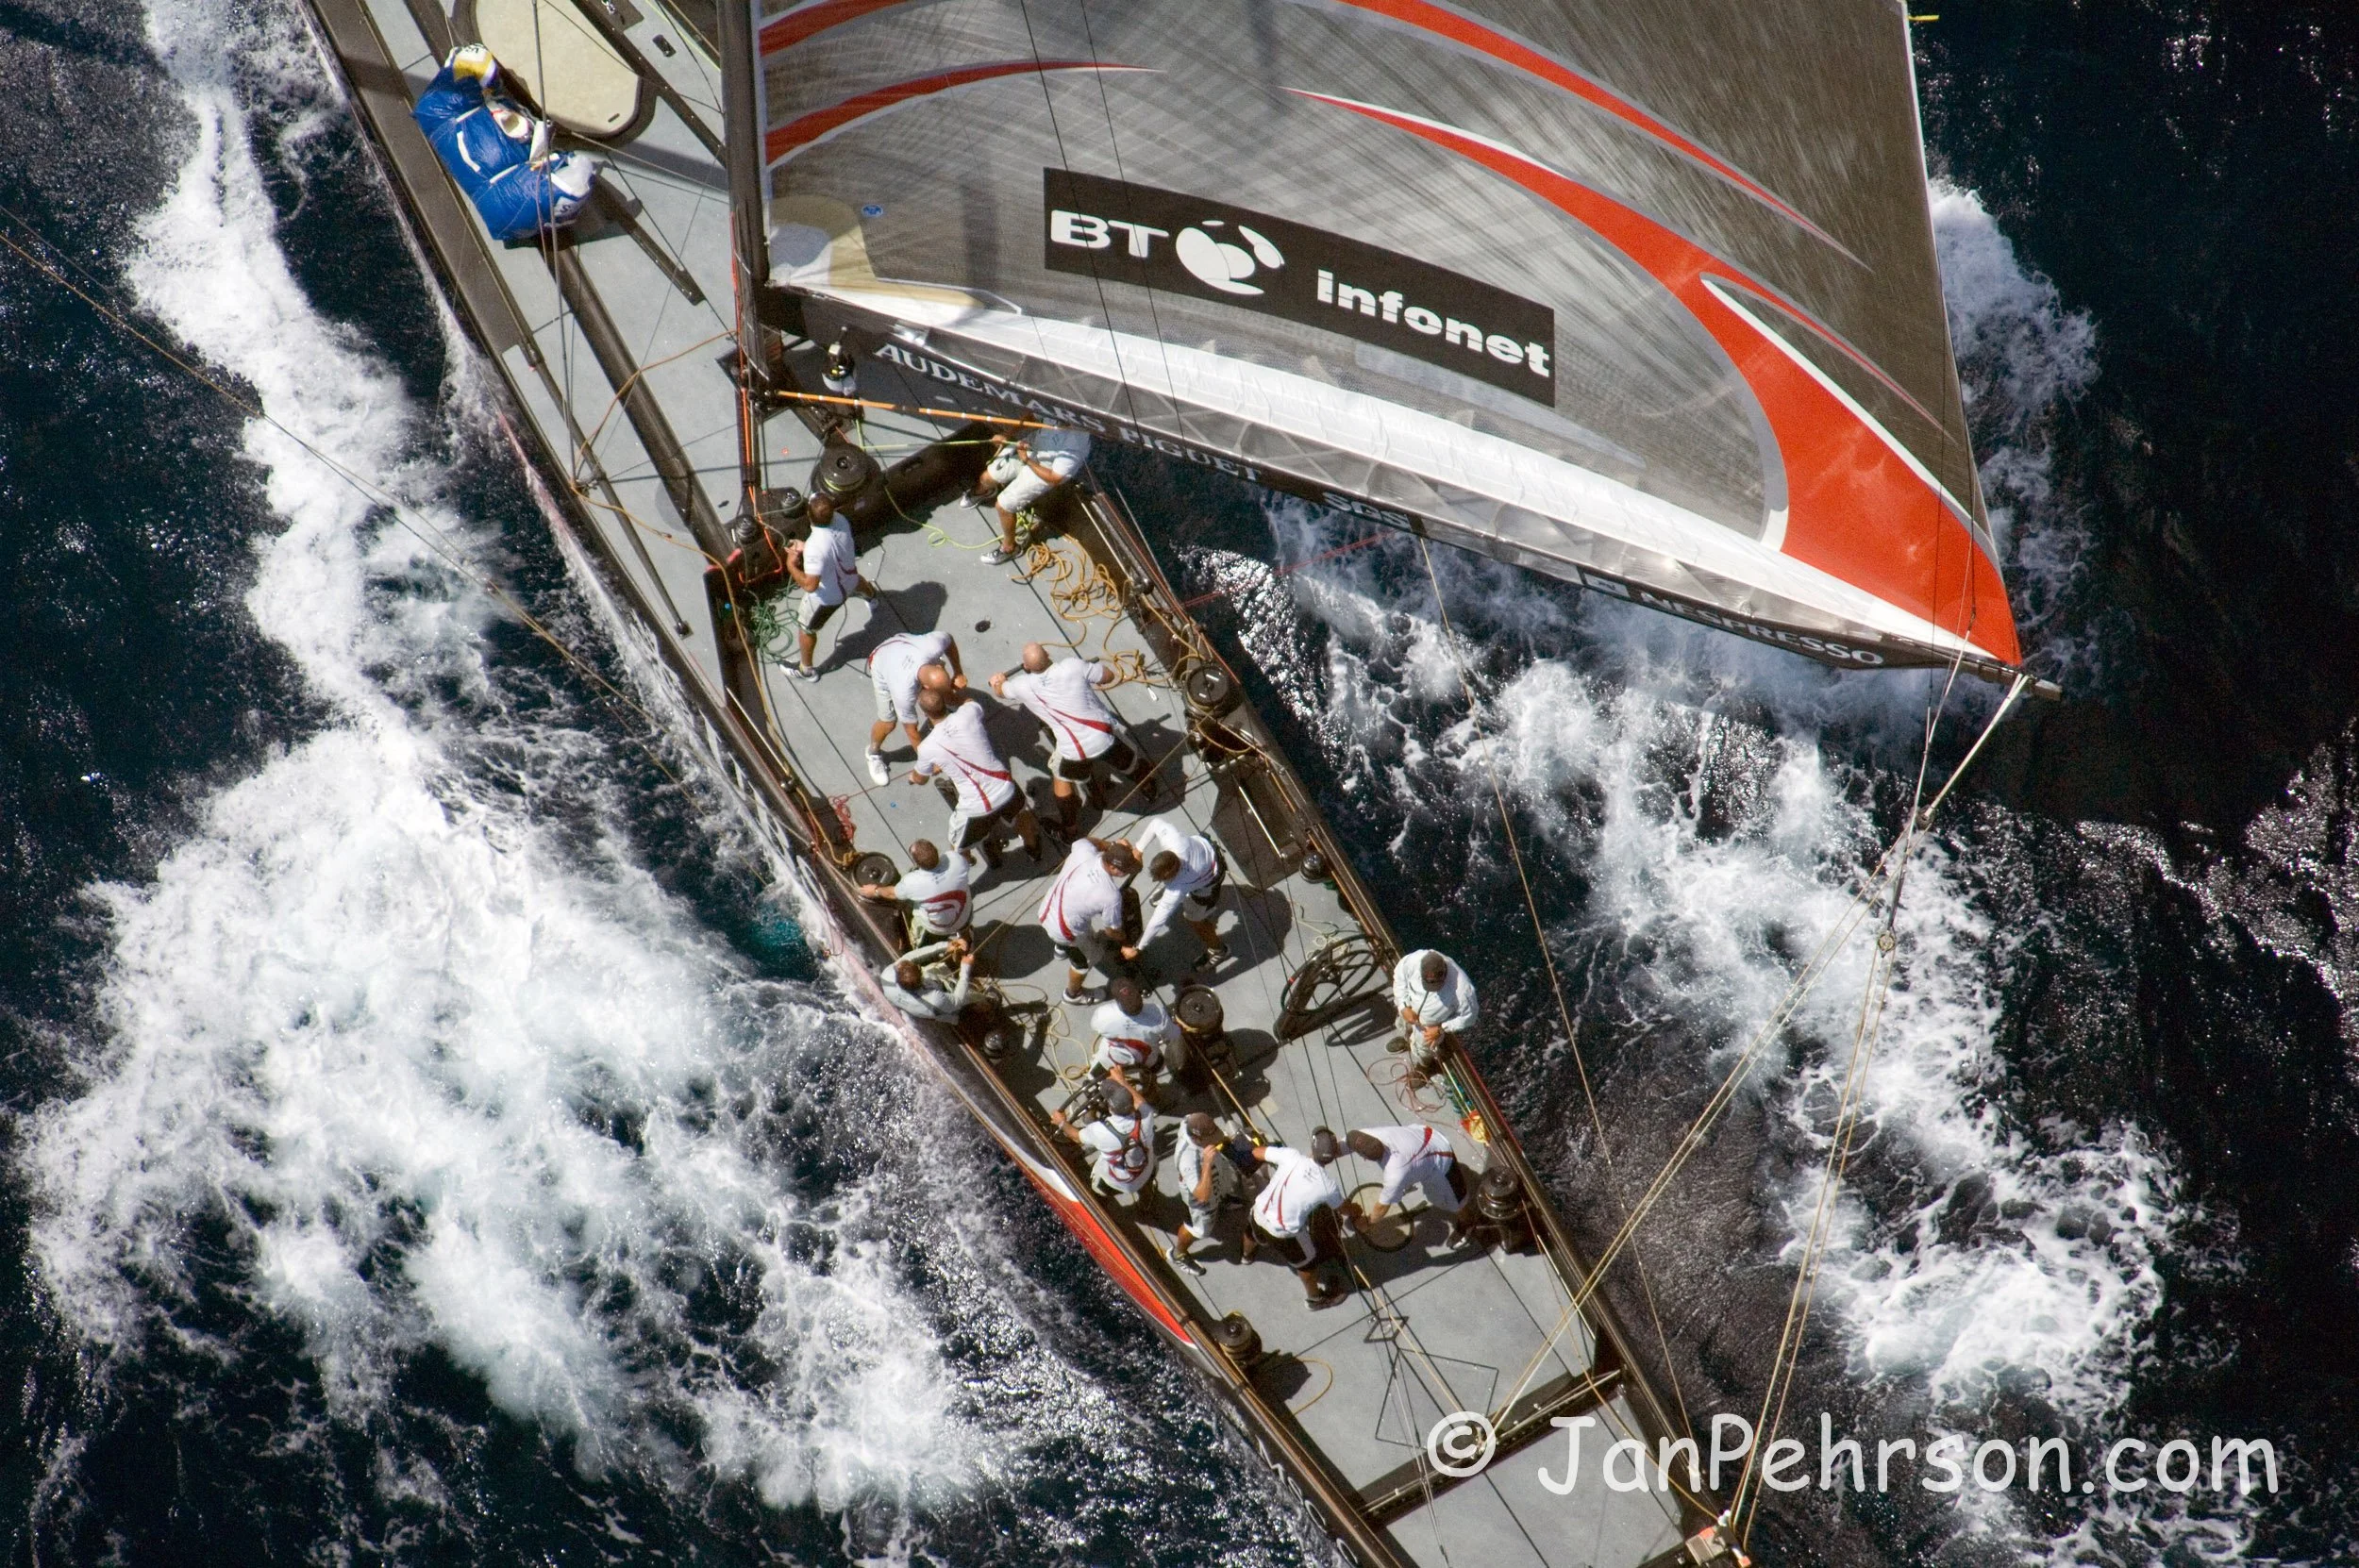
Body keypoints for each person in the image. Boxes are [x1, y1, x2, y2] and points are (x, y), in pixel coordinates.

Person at [992, 643, 1160, 827]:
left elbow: (1000, 691)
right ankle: (1149, 789)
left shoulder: (1021, 686)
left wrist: (998, 681)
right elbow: (1108, 676)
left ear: (1026, 666)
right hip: (1103, 738)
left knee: (1061, 777)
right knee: (1130, 764)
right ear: (1048, 654)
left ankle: (1070, 826)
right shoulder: (1072, 666)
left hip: (1074, 750)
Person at [910, 687, 1042, 866]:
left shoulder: (927, 747)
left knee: (958, 845)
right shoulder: (969, 714)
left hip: (976, 806)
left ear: (925, 714)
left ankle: (967, 861)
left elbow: (921, 778)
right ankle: (1033, 849)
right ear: (944, 703)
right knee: (1021, 814)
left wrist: (914, 776)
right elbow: (969, 701)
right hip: (1005, 788)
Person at [1247, 1128, 1356, 1308]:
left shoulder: (1291, 1156)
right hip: (1283, 1233)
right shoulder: (1328, 1186)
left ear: (1312, 1145)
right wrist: (1356, 1211)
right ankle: (1315, 1300)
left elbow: (1256, 1152)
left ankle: (1246, 1255)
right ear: (1333, 1155)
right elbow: (1344, 1209)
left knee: (1253, 1233)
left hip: (1258, 1212)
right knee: (1307, 1264)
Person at [780, 494, 874, 680]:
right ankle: (873, 599)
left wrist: (791, 564)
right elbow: (829, 548)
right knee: (858, 582)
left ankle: (806, 670)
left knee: (806, 628)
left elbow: (810, 585)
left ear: (808, 514)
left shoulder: (815, 547)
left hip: (828, 599)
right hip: (851, 579)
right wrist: (806, 547)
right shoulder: (840, 520)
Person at [1038, 836, 1140, 1002]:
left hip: (1047, 909)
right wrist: (1126, 942)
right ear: (1114, 868)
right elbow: (1112, 931)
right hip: (1064, 930)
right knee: (1087, 959)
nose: (1128, 873)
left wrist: (1111, 845)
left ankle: (1061, 949)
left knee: (1073, 923)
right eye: (1127, 870)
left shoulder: (1085, 852)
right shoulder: (1110, 896)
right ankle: (1073, 995)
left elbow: (1087, 840)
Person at [974, 425, 1092, 565]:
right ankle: (982, 492)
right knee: (987, 478)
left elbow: (1055, 478)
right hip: (1030, 447)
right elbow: (1032, 415)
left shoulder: (1076, 444)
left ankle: (1010, 548)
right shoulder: (1054, 412)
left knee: (1003, 506)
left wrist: (1026, 460)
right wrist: (1007, 434)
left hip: (1046, 469)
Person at [1122, 815, 1228, 971]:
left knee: (1194, 920)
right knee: (1169, 894)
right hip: (1206, 849)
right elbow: (1156, 823)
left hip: (1208, 884)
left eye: (1164, 880)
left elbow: (1159, 918)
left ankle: (1219, 951)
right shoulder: (1173, 840)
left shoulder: (1178, 887)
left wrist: (1138, 947)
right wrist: (1138, 849)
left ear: (1173, 873)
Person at [863, 629, 963, 785]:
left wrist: (958, 672)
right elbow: (912, 732)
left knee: (945, 698)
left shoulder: (935, 644)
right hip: (881, 663)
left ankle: (948, 707)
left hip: (902, 644)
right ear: (923, 688)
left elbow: (949, 639)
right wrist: (928, 763)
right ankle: (873, 752)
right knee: (888, 722)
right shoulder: (904, 692)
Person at [1346, 1125, 1470, 1244]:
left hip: (1442, 1160)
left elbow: (1382, 1207)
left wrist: (1368, 1222)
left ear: (1364, 1158)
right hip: (1425, 1136)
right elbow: (1346, 1143)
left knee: (1455, 1203)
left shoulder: (1394, 1174)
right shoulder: (1371, 1135)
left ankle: (1468, 1224)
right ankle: (1410, 1179)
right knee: (1421, 1186)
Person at [1050, 1079, 1157, 1203]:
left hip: (1118, 1182)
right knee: (1144, 1178)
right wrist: (1122, 1080)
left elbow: (1076, 1136)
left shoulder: (1100, 1131)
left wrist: (1061, 1122)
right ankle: (1147, 1198)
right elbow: (1140, 1102)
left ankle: (1098, 1202)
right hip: (1148, 1168)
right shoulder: (1147, 1115)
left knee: (1097, 1188)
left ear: (1110, 1108)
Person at [1166, 1111, 1242, 1276]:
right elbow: (1201, 1195)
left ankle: (1223, 1199)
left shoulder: (1191, 1121)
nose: (1216, 1139)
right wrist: (1207, 1163)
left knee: (1223, 1186)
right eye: (1211, 1137)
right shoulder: (1188, 1160)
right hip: (1203, 1202)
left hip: (1216, 1177)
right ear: (1198, 1139)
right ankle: (1178, 1254)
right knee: (1198, 1230)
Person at [856, 839, 970, 944]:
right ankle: (966, 936)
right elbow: (964, 857)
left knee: (918, 936)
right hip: (964, 915)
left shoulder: (912, 882)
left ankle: (918, 944)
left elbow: (892, 894)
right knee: (963, 920)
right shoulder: (956, 861)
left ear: (917, 864)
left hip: (937, 928)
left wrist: (875, 890)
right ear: (936, 850)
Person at [1089, 976, 1175, 1107]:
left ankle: (1094, 1105)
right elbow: (1173, 1036)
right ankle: (1151, 1094)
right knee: (1157, 1066)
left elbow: (1094, 1026)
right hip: (1147, 1062)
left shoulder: (1103, 1015)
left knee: (1092, 1079)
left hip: (1113, 1062)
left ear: (1117, 1002)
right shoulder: (1158, 1013)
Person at [1392, 948, 1479, 1068]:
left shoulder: (1464, 990)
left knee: (1423, 1049)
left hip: (1430, 1027)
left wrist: (1441, 1028)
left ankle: (1424, 1067)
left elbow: (1469, 1017)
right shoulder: (1414, 960)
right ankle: (1407, 1039)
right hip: (1409, 1008)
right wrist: (1403, 1005)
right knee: (1402, 1023)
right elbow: (1399, 977)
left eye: (1436, 984)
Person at [877, 937, 974, 1023]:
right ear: (920, 981)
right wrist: (966, 968)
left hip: (916, 999)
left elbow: (913, 956)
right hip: (939, 1008)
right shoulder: (935, 1000)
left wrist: (946, 946)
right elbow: (958, 1000)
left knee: (934, 971)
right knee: (970, 995)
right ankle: (981, 1002)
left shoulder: (889, 974)